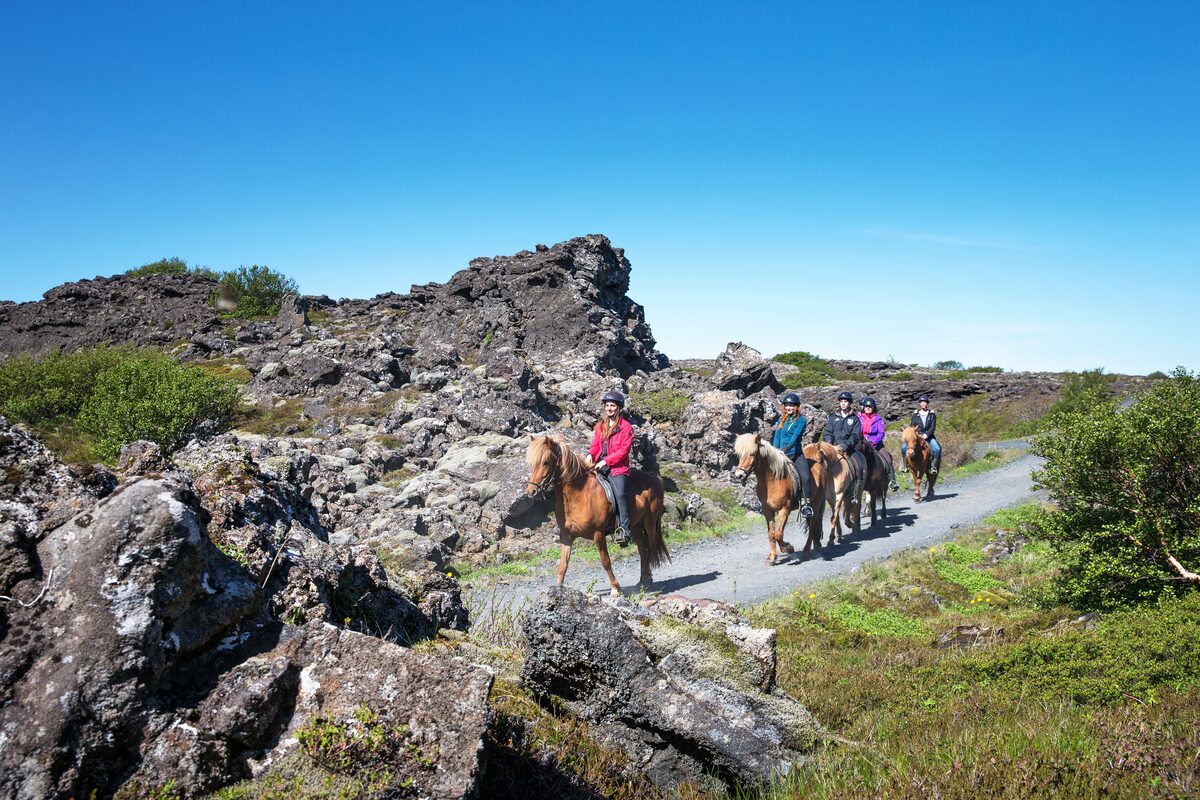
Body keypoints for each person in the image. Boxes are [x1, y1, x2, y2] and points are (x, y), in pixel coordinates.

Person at [589, 390, 634, 545]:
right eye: (607, 406)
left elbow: (624, 451)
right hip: (600, 465)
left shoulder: (626, 427)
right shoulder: (600, 426)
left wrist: (607, 461)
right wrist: (590, 455)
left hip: (617, 468)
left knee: (620, 494)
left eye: (613, 406)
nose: (610, 409)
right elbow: (596, 445)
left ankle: (624, 530)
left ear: (619, 408)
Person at [772, 392, 815, 518]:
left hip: (795, 454)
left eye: (791, 405)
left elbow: (795, 438)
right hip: (780, 454)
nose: (789, 408)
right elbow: (777, 436)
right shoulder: (781, 420)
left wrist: (784, 450)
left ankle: (806, 504)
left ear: (796, 406)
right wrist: (775, 451)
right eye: (787, 405)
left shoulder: (801, 420)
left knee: (805, 477)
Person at [822, 390, 866, 503]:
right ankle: (821, 493)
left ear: (849, 403)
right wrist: (829, 443)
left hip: (849, 449)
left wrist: (845, 445)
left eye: (845, 401)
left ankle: (855, 495)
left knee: (859, 467)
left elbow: (856, 435)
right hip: (833, 448)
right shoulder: (833, 418)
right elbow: (827, 432)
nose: (843, 404)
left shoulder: (855, 419)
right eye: (841, 401)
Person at [859, 396, 900, 493]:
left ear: (873, 407)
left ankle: (892, 481)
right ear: (863, 407)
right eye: (866, 406)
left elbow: (881, 433)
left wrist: (873, 442)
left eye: (870, 406)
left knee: (888, 459)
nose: (868, 408)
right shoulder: (858, 418)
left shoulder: (878, 419)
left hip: (875, 444)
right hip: (862, 443)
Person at [901, 394, 942, 475]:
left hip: (929, 437)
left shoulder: (932, 414)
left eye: (924, 402)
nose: (923, 404)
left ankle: (933, 466)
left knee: (937, 449)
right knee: (903, 447)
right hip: (917, 437)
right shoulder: (915, 414)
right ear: (919, 404)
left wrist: (926, 435)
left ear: (927, 403)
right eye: (921, 402)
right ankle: (905, 465)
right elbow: (912, 426)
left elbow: (932, 427)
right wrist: (917, 435)